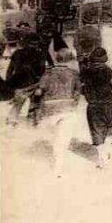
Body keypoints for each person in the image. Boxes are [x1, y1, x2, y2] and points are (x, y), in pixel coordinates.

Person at [32, 48, 82, 177]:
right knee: (62, 139)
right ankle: (58, 167)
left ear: (57, 59)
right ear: (70, 60)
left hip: (50, 110)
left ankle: (52, 161)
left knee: (53, 137)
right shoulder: (74, 74)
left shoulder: (48, 73)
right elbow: (78, 92)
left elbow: (39, 92)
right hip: (68, 109)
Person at [79, 47, 112, 169]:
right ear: (104, 59)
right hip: (108, 105)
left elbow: (82, 89)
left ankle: (101, 158)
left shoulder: (85, 71)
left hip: (93, 106)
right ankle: (107, 146)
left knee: (97, 131)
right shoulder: (107, 71)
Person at [5, 33, 48, 126]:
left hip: (20, 83)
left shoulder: (17, 53)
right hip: (34, 83)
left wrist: (8, 83)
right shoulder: (40, 54)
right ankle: (32, 122)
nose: (34, 46)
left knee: (17, 105)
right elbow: (42, 70)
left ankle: (11, 122)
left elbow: (10, 70)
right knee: (34, 104)